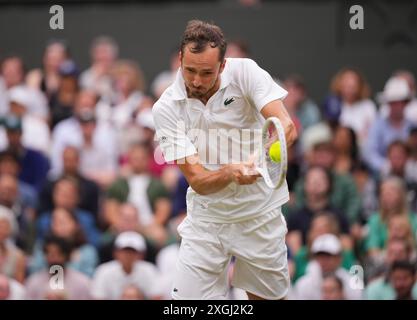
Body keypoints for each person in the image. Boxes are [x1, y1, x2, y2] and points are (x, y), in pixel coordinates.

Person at [152, 20, 297, 300]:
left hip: (259, 214)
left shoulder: (245, 72)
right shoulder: (166, 108)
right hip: (206, 221)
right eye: (190, 70)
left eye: (206, 73)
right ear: (180, 59)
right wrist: (231, 172)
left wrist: (266, 152)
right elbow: (198, 180)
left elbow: (285, 125)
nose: (196, 80)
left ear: (223, 65)